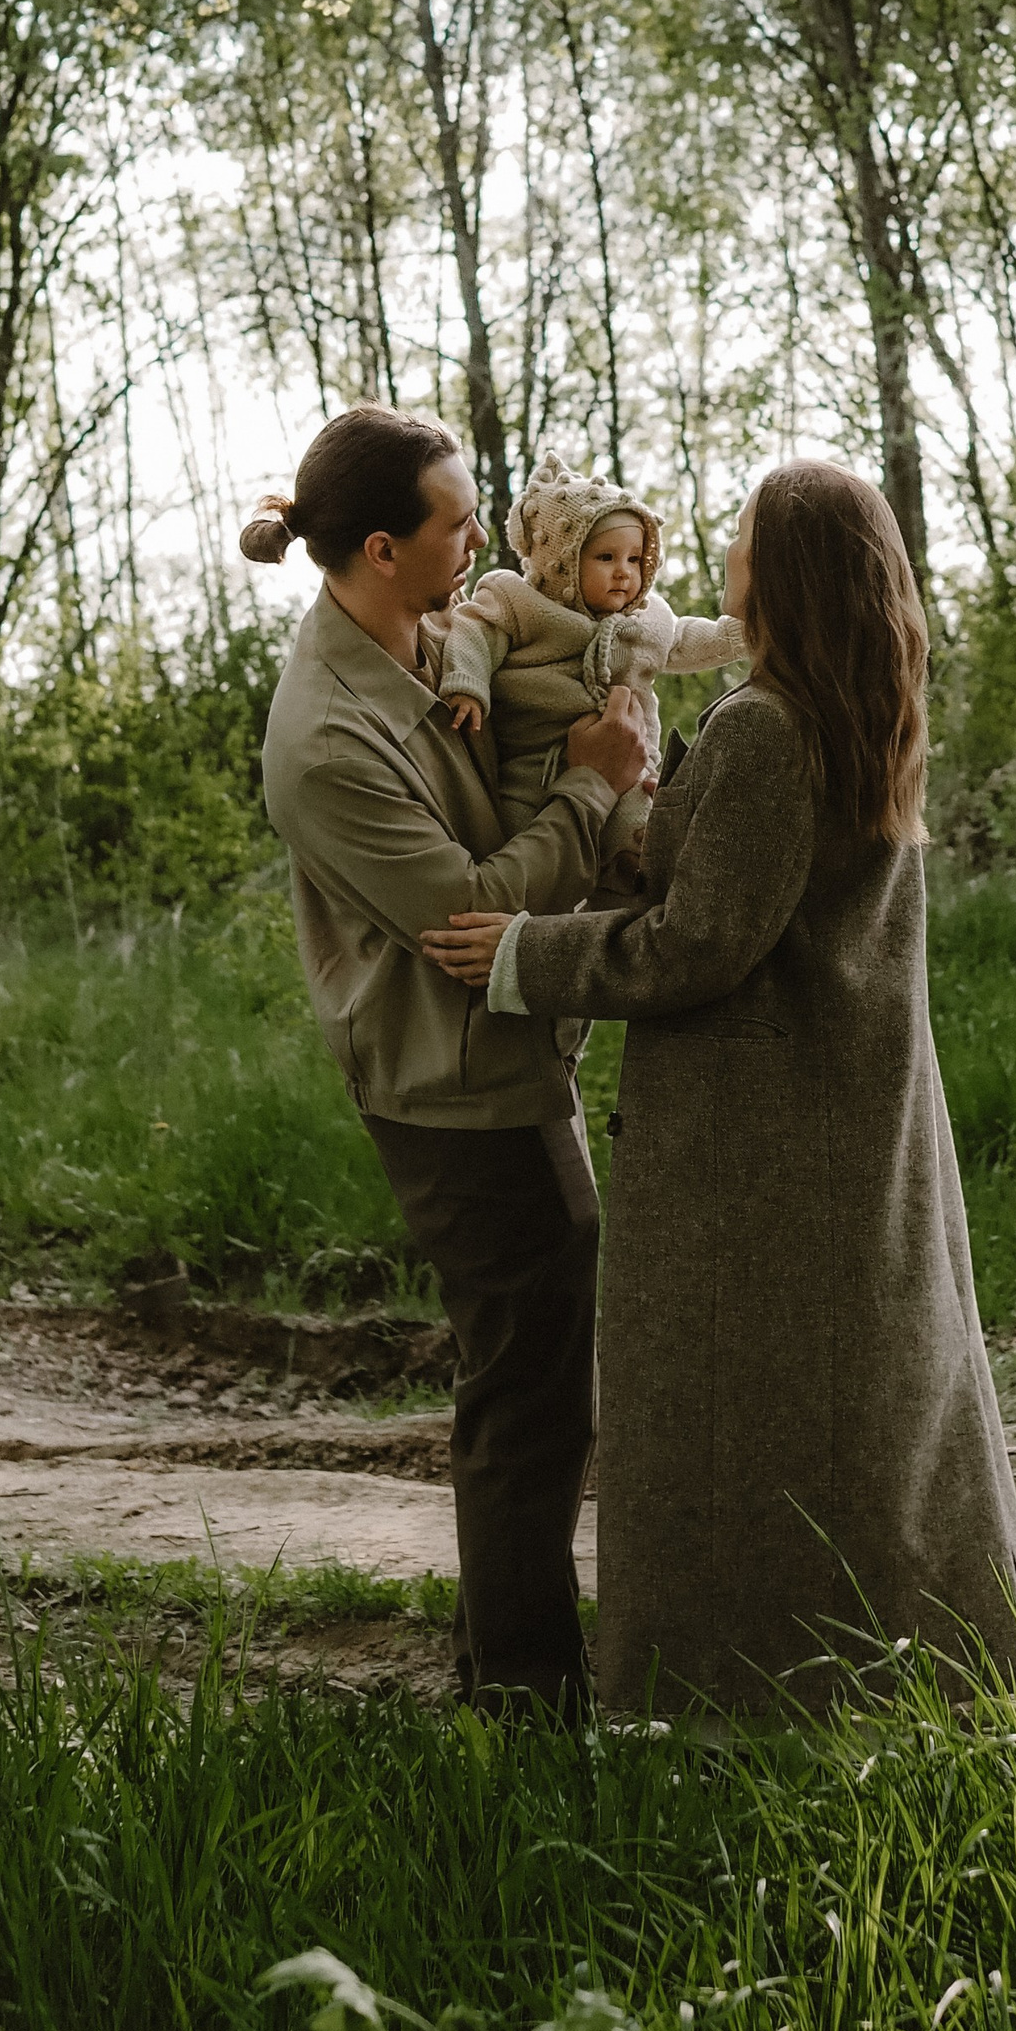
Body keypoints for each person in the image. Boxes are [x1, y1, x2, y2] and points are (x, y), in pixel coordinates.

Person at [423, 457, 1016, 1720]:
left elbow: (701, 942)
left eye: (746, 535)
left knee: (738, 1416)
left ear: (783, 569)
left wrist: (522, 957)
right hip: (831, 1117)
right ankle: (900, 1657)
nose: (722, 555)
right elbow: (742, 880)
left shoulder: (765, 724)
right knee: (845, 1403)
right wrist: (627, 802)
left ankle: (732, 1690)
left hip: (756, 1144)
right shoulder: (843, 705)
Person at [242, 405, 649, 1717]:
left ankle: (503, 1673)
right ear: (378, 547)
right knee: (530, 1398)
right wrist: (594, 789)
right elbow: (472, 919)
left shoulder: (435, 634)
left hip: (511, 1064)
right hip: (455, 1096)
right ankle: (526, 1704)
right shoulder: (324, 739)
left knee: (534, 1377)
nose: (482, 537)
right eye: (459, 521)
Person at [438, 450, 746, 850]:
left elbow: (683, 640)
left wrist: (739, 635)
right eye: (606, 557)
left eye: (635, 559)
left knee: (641, 832)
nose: (624, 571)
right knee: (517, 832)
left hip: (628, 768)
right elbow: (476, 630)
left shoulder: (648, 621)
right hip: (535, 767)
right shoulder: (519, 602)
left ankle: (625, 882)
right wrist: (466, 684)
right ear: (562, 561)